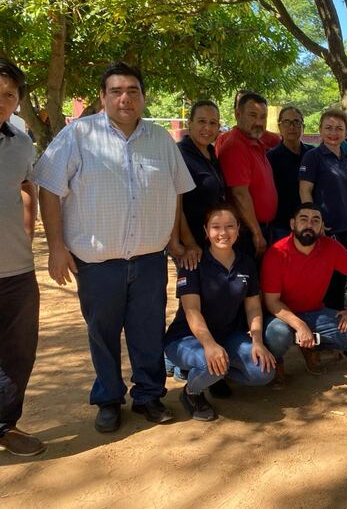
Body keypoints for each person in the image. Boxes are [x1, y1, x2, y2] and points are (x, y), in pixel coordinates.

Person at [33, 61, 195, 433]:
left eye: (133, 91)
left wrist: (173, 241)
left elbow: (175, 194)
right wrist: (56, 247)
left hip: (150, 261)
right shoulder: (78, 135)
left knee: (148, 330)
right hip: (96, 263)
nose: (126, 98)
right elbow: (49, 188)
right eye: (117, 91)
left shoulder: (161, 141)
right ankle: (108, 398)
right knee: (102, 334)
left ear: (143, 97)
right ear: (103, 97)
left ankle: (149, 395)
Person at [164, 204, 276, 421]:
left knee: (263, 371)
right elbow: (192, 310)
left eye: (229, 227)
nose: (223, 233)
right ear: (206, 231)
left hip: (227, 336)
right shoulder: (193, 263)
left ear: (238, 229)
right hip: (187, 338)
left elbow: (253, 307)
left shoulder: (246, 263)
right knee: (211, 363)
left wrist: (258, 342)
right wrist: (209, 345)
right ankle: (192, 392)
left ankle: (216, 373)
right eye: (216, 227)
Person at [260, 203, 347, 374]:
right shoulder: (276, 253)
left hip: (315, 313)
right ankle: (278, 363)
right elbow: (272, 302)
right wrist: (300, 325)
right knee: (278, 336)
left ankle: (311, 347)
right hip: (282, 316)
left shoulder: (330, 247)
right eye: (304, 219)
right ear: (292, 224)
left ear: (321, 227)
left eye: (315, 221)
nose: (309, 225)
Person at [0, 59, 45, 456]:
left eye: (10, 95)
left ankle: (5, 425)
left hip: (16, 268)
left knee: (18, 351)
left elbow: (28, 182)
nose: (3, 101)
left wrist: (29, 226)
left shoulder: (20, 140)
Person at [298, 108, 347, 311]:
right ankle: (317, 324)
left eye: (338, 128)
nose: (333, 133)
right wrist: (314, 224)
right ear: (320, 130)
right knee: (320, 279)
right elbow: (305, 190)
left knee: (339, 278)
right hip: (323, 232)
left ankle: (335, 322)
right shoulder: (313, 157)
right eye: (328, 128)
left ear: (345, 132)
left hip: (345, 230)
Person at [216, 92, 278, 257]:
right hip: (247, 233)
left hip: (261, 229)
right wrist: (257, 233)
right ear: (238, 114)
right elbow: (240, 194)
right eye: (253, 115)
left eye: (263, 117)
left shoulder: (255, 142)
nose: (259, 122)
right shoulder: (236, 147)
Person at [172, 100, 226, 266]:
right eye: (202, 121)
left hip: (213, 240)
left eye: (213, 123)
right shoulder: (179, 154)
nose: (208, 128)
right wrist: (189, 243)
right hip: (192, 247)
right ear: (190, 123)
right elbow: (176, 206)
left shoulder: (211, 152)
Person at [268, 106, 312, 241]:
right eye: (286, 122)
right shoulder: (270, 158)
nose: (292, 127)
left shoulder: (312, 155)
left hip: (310, 223)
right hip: (282, 225)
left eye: (296, 122)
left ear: (302, 126)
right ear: (280, 127)